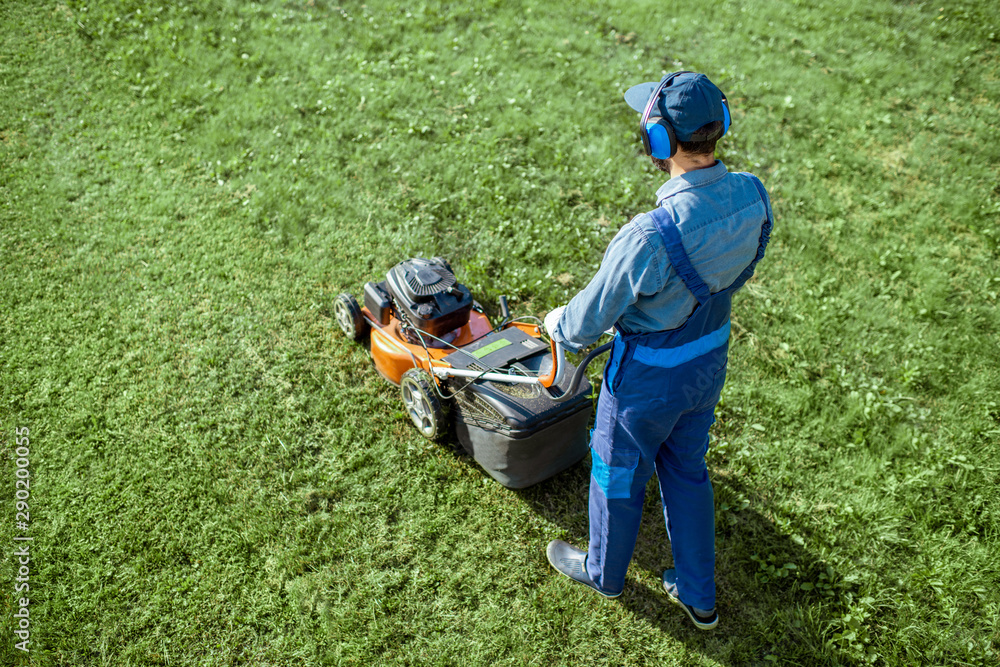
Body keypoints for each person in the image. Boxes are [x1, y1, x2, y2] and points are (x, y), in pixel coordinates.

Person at [543, 71, 773, 631]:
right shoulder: (753, 196)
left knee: (618, 475)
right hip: (708, 361)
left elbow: (587, 319)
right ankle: (699, 597)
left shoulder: (649, 235)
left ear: (660, 143)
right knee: (687, 468)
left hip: (646, 380)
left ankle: (603, 573)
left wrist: (560, 325)